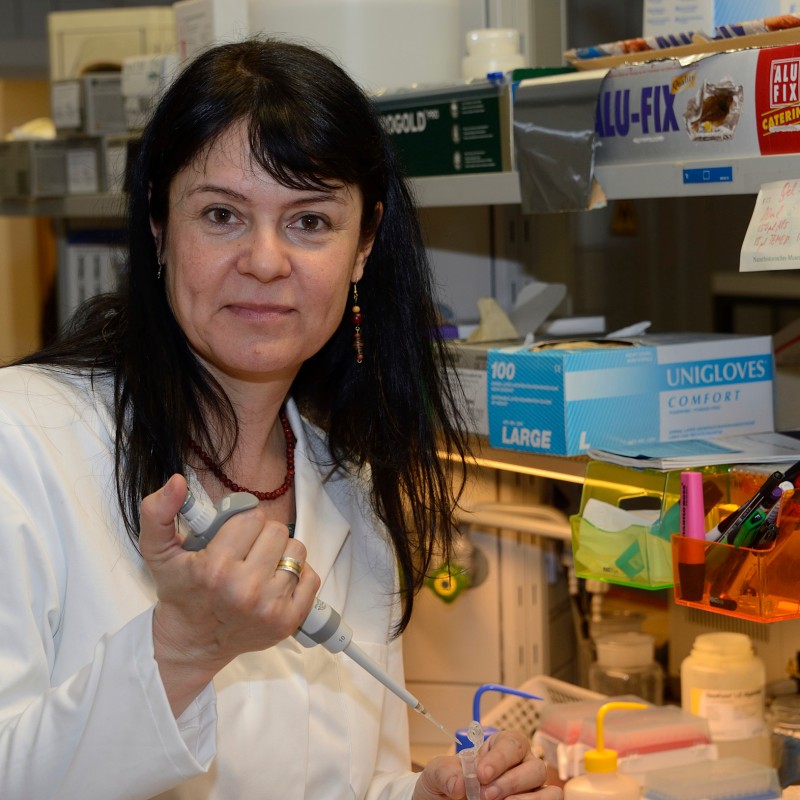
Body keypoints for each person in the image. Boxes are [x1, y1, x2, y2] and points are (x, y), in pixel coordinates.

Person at [0, 38, 561, 800]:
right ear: (160, 229)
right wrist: (182, 648)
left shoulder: (350, 489)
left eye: (310, 222)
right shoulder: (23, 441)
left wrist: (425, 796)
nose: (265, 261)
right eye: (223, 214)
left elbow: (336, 780)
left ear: (363, 245)